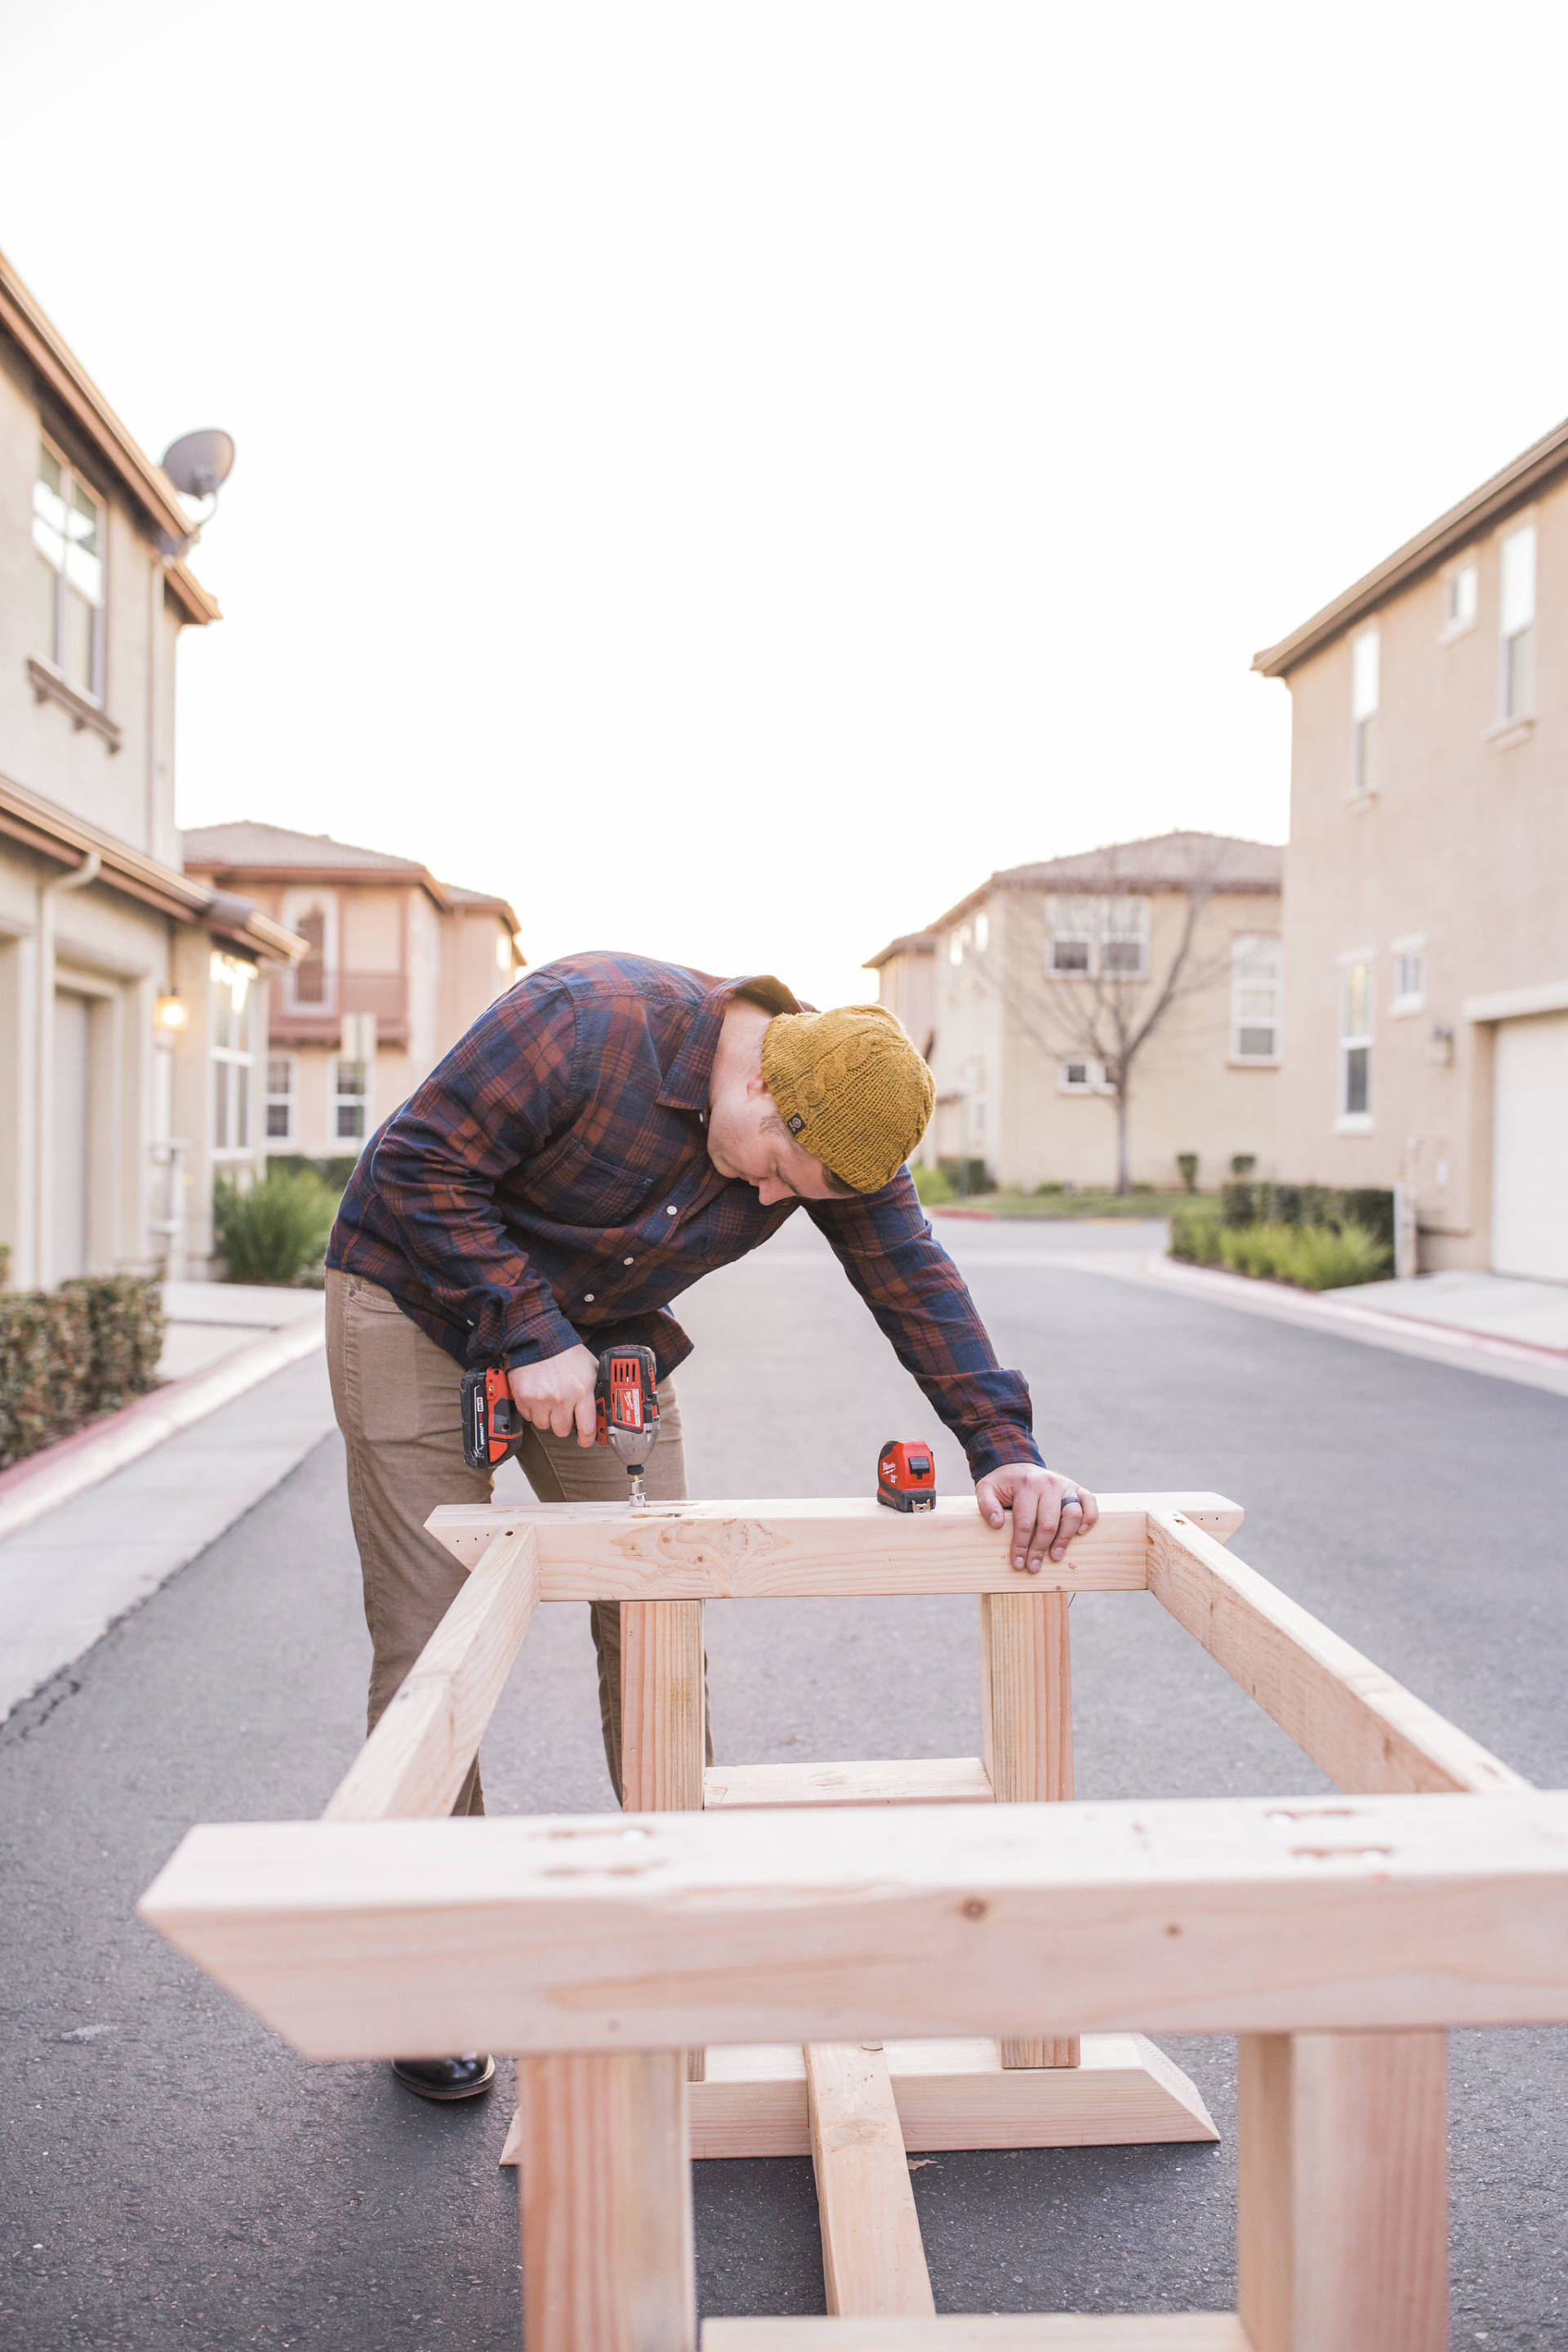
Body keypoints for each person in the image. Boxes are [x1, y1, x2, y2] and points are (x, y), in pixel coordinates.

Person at [324, 952, 1098, 2102]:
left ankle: (679, 1923)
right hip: (414, 1301)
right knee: (431, 1639)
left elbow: (913, 1279)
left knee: (658, 1611)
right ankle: (430, 1974)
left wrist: (1009, 1448)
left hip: (603, 1334)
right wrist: (529, 1333)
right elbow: (417, 1164)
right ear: (757, 1096)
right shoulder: (587, 1020)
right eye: (785, 1175)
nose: (781, 1202)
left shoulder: (837, 1130)